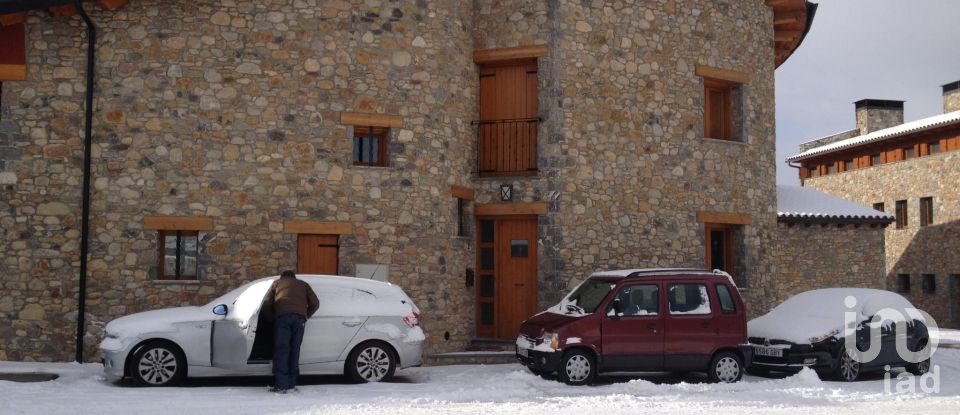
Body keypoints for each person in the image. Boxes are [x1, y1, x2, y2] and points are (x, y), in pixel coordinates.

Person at [261, 270, 319, 393]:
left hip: (282, 318)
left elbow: (266, 304)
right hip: (299, 320)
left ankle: (281, 385)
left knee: (282, 350)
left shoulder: (276, 284)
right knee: (295, 350)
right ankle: (291, 385)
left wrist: (271, 319)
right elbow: (316, 303)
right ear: (294, 277)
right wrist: (305, 316)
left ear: (282, 277)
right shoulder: (303, 284)